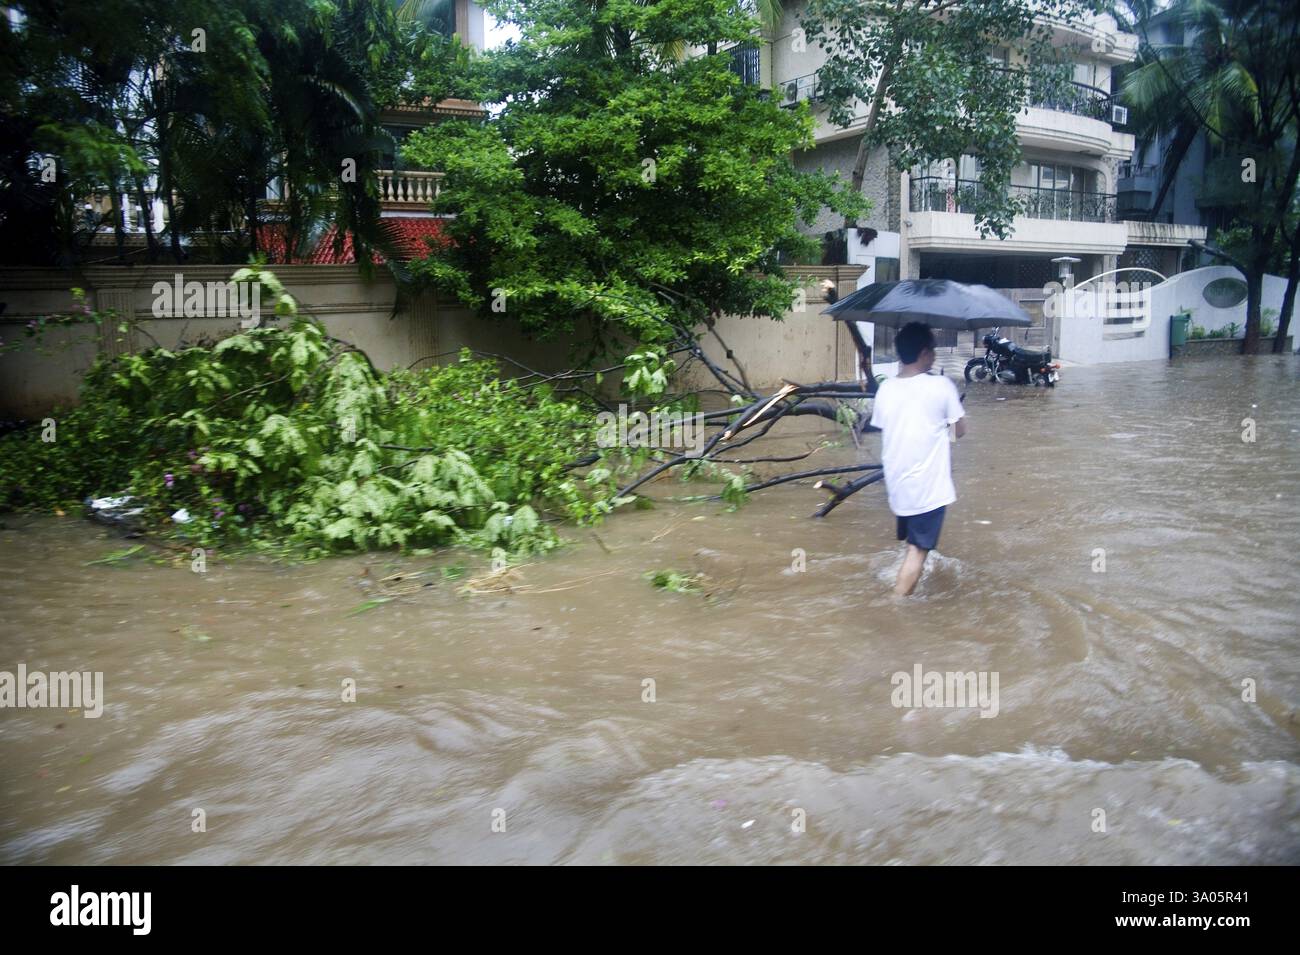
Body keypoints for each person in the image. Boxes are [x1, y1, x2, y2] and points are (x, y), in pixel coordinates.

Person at [868, 322, 967, 596]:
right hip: (927, 486)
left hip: (898, 484)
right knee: (918, 550)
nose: (934, 356)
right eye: (932, 350)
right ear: (924, 353)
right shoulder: (941, 385)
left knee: (913, 543)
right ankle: (896, 605)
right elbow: (959, 432)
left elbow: (893, 428)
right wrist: (948, 419)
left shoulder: (886, 389)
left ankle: (902, 581)